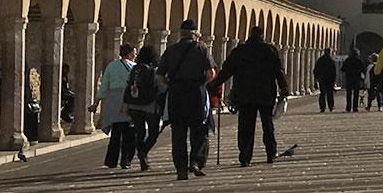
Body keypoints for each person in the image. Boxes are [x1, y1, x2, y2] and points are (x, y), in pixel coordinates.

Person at [211, 24, 290, 167]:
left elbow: (226, 71)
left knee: (245, 126)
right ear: (262, 36)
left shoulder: (240, 51)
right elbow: (279, 71)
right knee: (267, 124)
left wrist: (213, 85)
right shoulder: (270, 50)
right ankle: (271, 153)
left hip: (244, 93)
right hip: (265, 93)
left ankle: (245, 157)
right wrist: (284, 90)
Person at [158, 19, 216, 179]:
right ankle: (196, 162)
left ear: (180, 34)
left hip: (176, 94)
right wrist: (202, 83)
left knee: (178, 134)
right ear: (195, 33)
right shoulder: (201, 49)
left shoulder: (171, 50)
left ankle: (181, 169)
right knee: (200, 130)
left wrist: (170, 84)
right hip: (196, 93)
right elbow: (211, 73)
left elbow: (160, 76)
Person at [123, 46, 164, 171]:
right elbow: (161, 87)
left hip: (134, 105)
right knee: (153, 133)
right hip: (150, 106)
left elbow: (129, 84)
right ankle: (143, 152)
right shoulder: (153, 70)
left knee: (139, 132)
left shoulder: (135, 69)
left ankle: (141, 152)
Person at [98, 44, 137, 170]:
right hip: (128, 100)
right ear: (130, 53)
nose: (135, 55)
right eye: (134, 53)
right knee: (129, 133)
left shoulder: (111, 66)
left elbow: (104, 86)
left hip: (113, 101)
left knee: (116, 132)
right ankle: (125, 160)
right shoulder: (134, 67)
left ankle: (111, 161)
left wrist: (96, 102)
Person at [342, 47, 364, 112]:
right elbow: (362, 69)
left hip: (349, 78)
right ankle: (355, 107)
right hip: (356, 79)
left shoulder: (347, 60)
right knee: (356, 94)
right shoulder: (359, 61)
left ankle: (348, 107)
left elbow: (343, 69)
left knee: (348, 94)